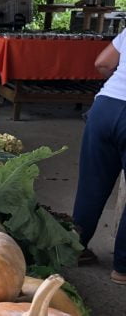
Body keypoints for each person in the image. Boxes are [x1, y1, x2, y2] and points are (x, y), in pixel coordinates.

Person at [72, 29, 126, 285]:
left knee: (91, 186)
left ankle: (73, 248)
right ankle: (123, 268)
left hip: (105, 107)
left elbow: (102, 63)